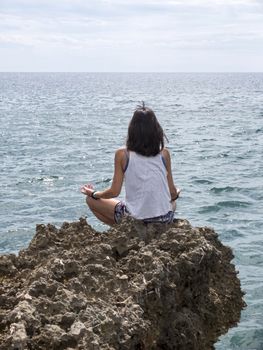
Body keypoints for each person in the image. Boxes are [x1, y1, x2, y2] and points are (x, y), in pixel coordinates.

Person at [81, 103, 180, 226]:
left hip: (135, 221)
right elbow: (172, 193)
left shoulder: (123, 154)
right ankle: (144, 231)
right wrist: (177, 192)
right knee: (173, 203)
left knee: (91, 201)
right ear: (156, 130)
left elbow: (114, 192)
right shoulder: (164, 154)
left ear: (132, 129)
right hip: (165, 219)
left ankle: (125, 232)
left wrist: (94, 193)